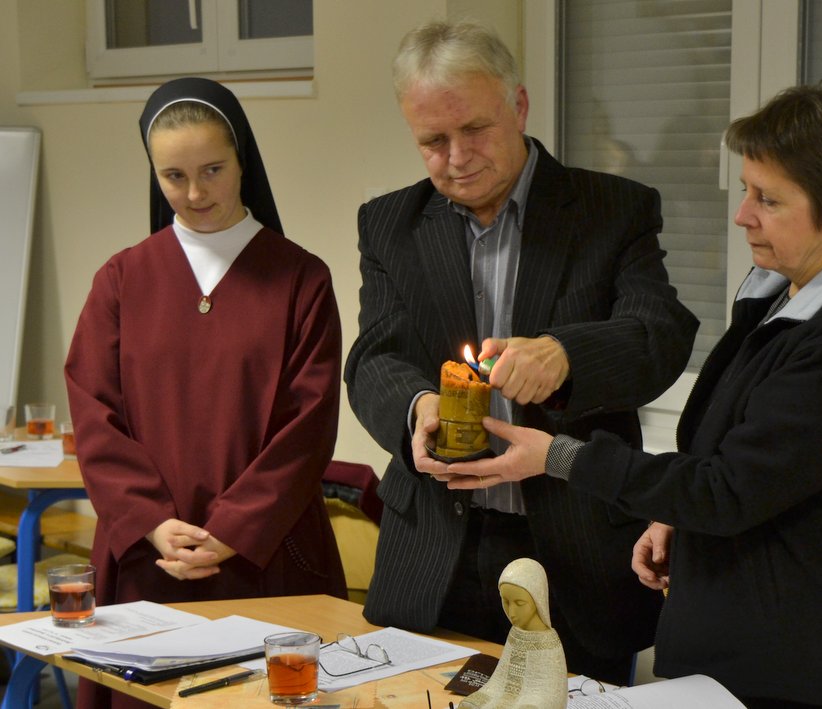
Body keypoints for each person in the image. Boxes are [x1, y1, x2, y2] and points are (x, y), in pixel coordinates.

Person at [449, 80, 822, 708]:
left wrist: (556, 457)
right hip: (743, 658)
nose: (742, 215)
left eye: (768, 199)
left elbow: (726, 491)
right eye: (746, 190)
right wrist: (678, 516)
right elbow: (749, 463)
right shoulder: (783, 298)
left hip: (805, 677)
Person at [343, 20, 698, 684]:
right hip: (436, 552)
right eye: (432, 141)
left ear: (520, 106)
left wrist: (567, 354)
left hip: (574, 554)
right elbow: (374, 357)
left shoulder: (611, 209)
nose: (456, 157)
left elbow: (659, 335)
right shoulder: (390, 223)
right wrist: (417, 407)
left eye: (474, 129)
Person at [65, 77, 345, 708]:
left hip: (265, 555)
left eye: (212, 170)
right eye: (174, 176)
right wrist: (151, 521)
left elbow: (309, 423)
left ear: (243, 159)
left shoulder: (300, 278)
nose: (194, 194)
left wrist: (233, 528)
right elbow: (93, 411)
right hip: (147, 561)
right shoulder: (120, 279)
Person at [460, 558, 568, 709]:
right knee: (469, 705)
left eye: (519, 603)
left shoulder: (548, 641)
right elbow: (499, 678)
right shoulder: (514, 632)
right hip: (502, 693)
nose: (511, 612)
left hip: (536, 698)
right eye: (506, 601)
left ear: (537, 599)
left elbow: (553, 692)